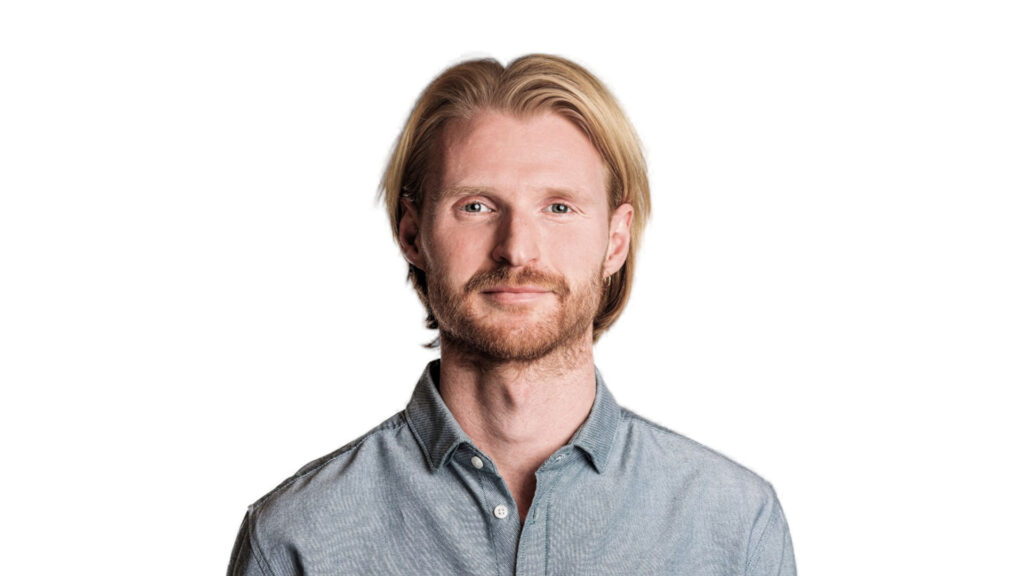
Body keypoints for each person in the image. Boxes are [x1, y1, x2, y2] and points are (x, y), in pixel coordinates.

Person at [228, 54, 796, 576]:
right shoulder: (296, 540)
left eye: (559, 207)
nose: (518, 249)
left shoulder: (735, 528)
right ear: (412, 234)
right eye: (476, 206)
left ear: (616, 241)